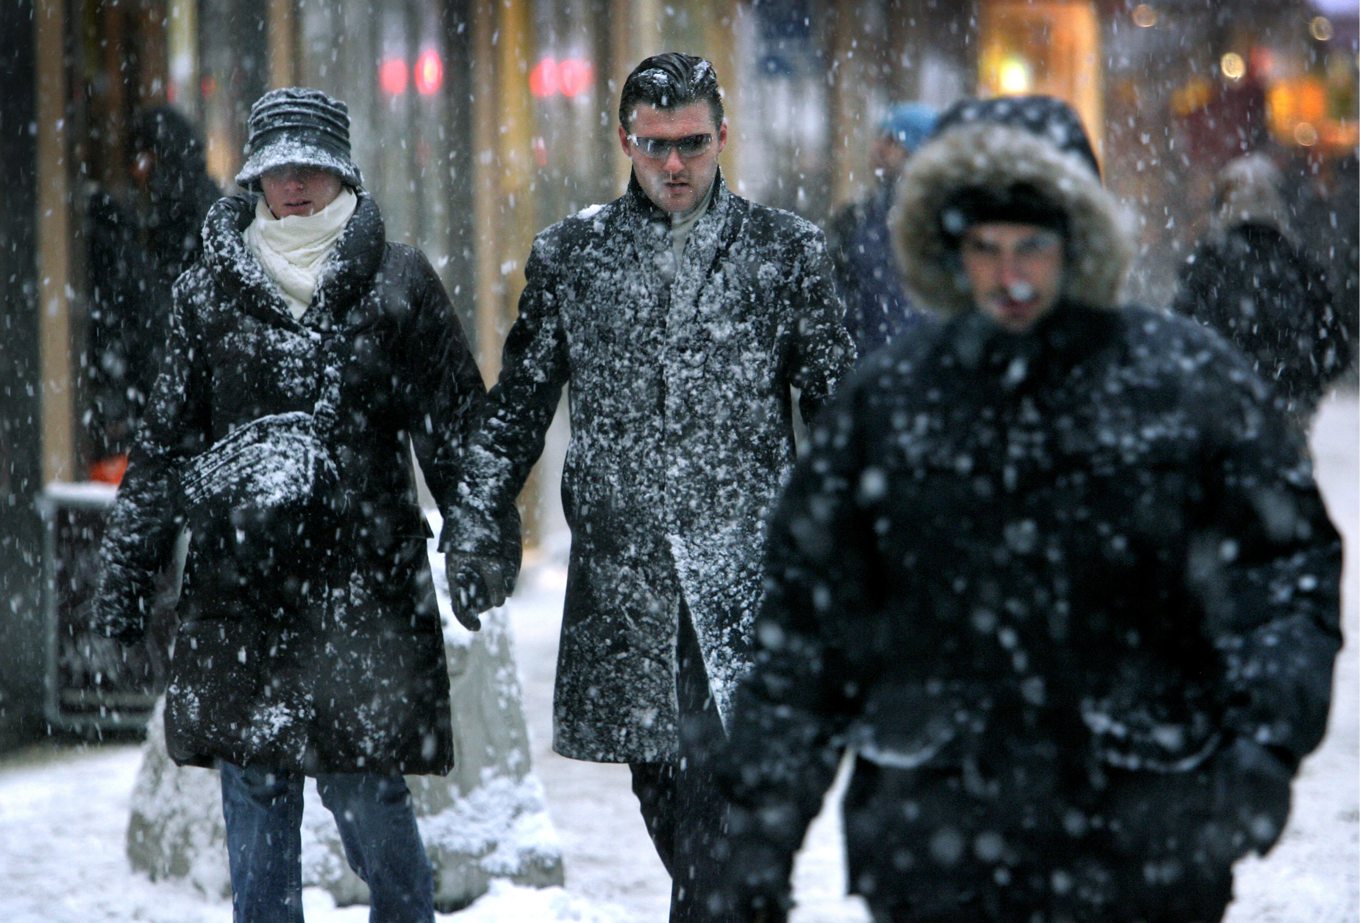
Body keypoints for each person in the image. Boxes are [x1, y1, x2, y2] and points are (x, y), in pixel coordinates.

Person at [715, 95, 1343, 922]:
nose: (1010, 277)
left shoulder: (1187, 386)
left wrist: (1262, 747)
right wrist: (757, 838)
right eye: (986, 248)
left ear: (1078, 239)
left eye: (1033, 247)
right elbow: (807, 630)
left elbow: (1285, 574)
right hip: (938, 840)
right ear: (949, 247)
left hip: (1145, 834)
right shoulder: (892, 404)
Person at [441, 52, 854, 922]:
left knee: (714, 809)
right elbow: (517, 408)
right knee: (664, 794)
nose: (675, 165)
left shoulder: (786, 254)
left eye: (693, 145)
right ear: (625, 141)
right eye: (655, 145)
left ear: (722, 138)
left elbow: (842, 416)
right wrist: (478, 522)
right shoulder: (574, 257)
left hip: (743, 577)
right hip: (623, 582)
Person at [92, 87, 495, 923]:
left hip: (364, 598)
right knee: (258, 824)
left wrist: (480, 533)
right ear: (254, 176)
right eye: (279, 167)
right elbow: (164, 445)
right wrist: (127, 571)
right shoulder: (207, 293)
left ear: (341, 170)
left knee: (373, 806)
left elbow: (458, 429)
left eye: (312, 164)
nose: (296, 183)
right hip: (242, 599)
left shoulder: (398, 280)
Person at [85, 105, 221, 475]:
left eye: (143, 157)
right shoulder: (187, 207)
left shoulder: (179, 213)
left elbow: (158, 311)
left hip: (184, 395)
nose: (136, 170)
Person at [1172, 151, 1350, 427]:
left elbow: (1180, 339)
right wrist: (1303, 391)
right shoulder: (1299, 267)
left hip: (1220, 419)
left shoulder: (1207, 266)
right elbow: (1334, 345)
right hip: (1286, 417)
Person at [825, 101, 937, 360]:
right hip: (865, 373)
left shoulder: (946, 221)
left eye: (892, 141)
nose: (879, 149)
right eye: (880, 139)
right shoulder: (854, 219)